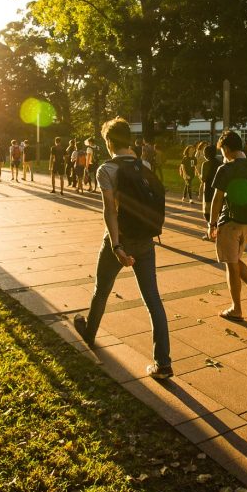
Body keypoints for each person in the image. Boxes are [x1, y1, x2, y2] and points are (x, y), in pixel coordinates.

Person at [73, 117, 172, 379]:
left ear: (108, 142)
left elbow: (110, 211)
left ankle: (90, 334)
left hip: (120, 241)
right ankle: (163, 363)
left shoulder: (106, 169)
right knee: (153, 301)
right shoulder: (146, 165)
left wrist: (116, 246)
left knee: (101, 290)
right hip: (145, 242)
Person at [208, 130, 247, 321]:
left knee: (231, 265)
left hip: (230, 221)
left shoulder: (226, 169)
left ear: (225, 148)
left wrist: (212, 223)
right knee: (236, 260)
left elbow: (217, 199)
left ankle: (236, 309)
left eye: (222, 150)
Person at [200, 144, 222, 240]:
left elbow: (204, 178)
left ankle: (211, 233)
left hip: (209, 190)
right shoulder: (219, 163)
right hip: (218, 190)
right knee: (219, 211)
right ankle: (219, 231)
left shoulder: (205, 164)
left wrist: (200, 175)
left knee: (207, 213)